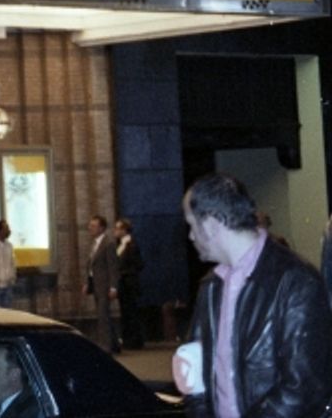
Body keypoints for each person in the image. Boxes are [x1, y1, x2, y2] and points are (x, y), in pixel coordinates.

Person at [177, 172, 332, 418]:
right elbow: (196, 374)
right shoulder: (211, 286)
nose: (191, 236)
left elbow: (303, 387)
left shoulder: (296, 281)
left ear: (211, 224)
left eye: (191, 224)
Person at [84, 215, 120, 353]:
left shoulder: (108, 244)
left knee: (103, 316)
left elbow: (113, 267)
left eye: (93, 226)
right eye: (90, 225)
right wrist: (87, 282)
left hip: (105, 285)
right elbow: (90, 266)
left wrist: (113, 287)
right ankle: (115, 344)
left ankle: (106, 346)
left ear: (102, 228)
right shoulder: (94, 243)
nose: (90, 228)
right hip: (96, 284)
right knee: (104, 315)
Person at [113, 218, 145, 351]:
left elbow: (139, 264)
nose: (115, 231)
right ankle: (128, 339)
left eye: (118, 228)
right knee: (126, 313)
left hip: (129, 283)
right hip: (123, 284)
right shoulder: (120, 245)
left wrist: (125, 272)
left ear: (125, 230)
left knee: (131, 313)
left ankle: (135, 340)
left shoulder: (131, 244)